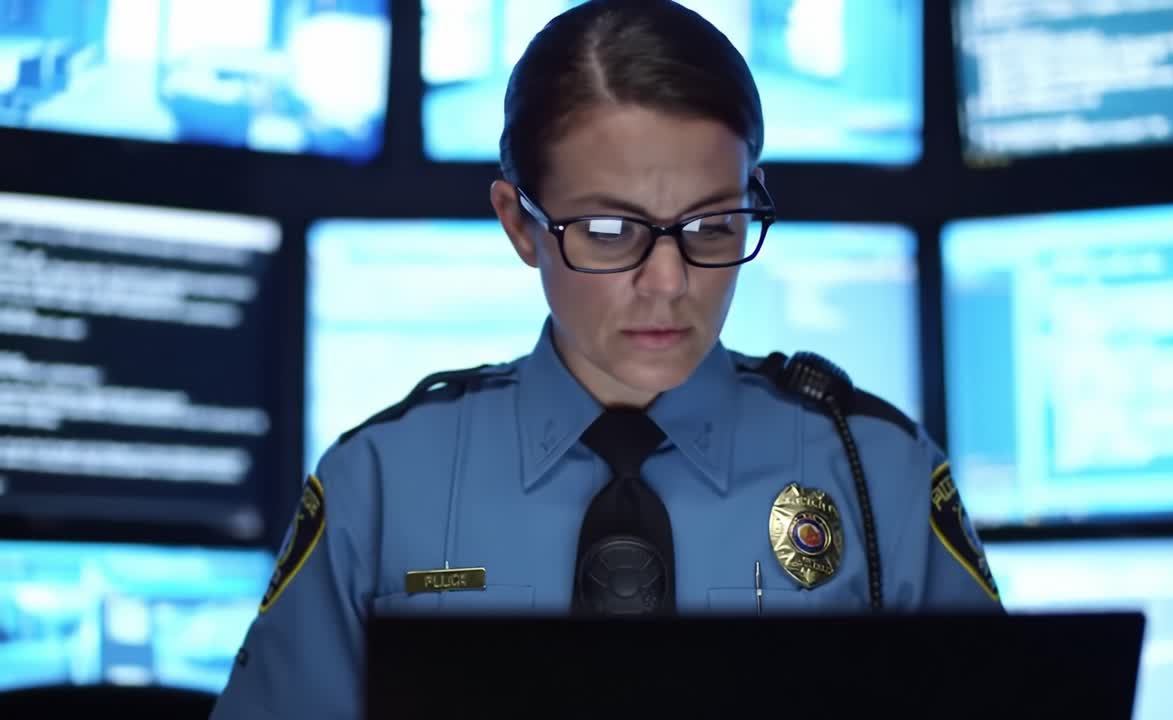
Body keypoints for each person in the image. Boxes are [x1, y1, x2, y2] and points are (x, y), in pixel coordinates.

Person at [211, 1, 1002, 716]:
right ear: (519, 224)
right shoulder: (381, 483)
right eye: (611, 232)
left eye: (713, 226)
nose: (669, 284)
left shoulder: (874, 475)